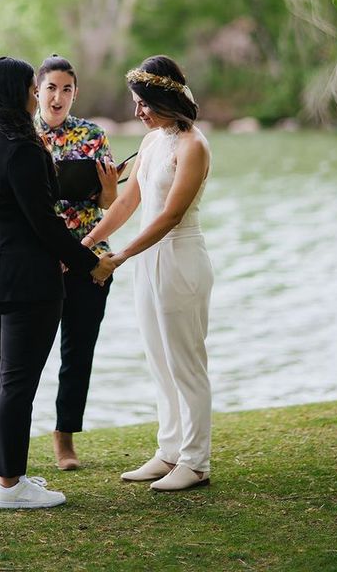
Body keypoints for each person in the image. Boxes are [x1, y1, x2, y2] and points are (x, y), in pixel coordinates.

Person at [0, 56, 114, 510]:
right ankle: (11, 485)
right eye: (31, 87)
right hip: (25, 280)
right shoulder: (22, 148)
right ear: (15, 93)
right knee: (16, 384)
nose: (35, 95)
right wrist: (91, 264)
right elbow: (45, 226)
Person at [81, 55, 213, 492]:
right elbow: (125, 203)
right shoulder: (154, 142)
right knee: (158, 360)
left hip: (181, 259)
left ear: (164, 98)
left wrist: (118, 257)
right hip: (148, 259)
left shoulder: (194, 145)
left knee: (185, 362)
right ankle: (169, 450)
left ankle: (196, 462)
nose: (137, 112)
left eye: (142, 103)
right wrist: (86, 244)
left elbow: (171, 215)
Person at [36, 54, 119, 471]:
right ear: (37, 90)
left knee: (77, 352)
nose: (58, 96)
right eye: (51, 87)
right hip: (38, 261)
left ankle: (64, 436)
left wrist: (107, 189)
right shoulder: (22, 136)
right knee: (21, 355)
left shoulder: (92, 134)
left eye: (66, 89)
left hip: (90, 259)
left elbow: (108, 203)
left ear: (75, 93)